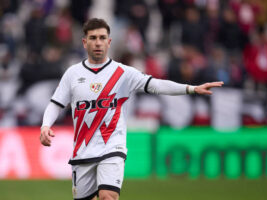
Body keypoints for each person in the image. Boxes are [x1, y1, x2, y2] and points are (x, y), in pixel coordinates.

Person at [40, 18, 223, 200]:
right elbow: (56, 103)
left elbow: (156, 85)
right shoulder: (73, 73)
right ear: (84, 42)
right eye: (93, 38)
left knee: (108, 196)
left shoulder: (123, 73)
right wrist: (45, 126)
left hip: (111, 147)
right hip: (82, 151)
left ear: (109, 42)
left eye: (102, 38)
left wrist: (191, 88)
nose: (98, 43)